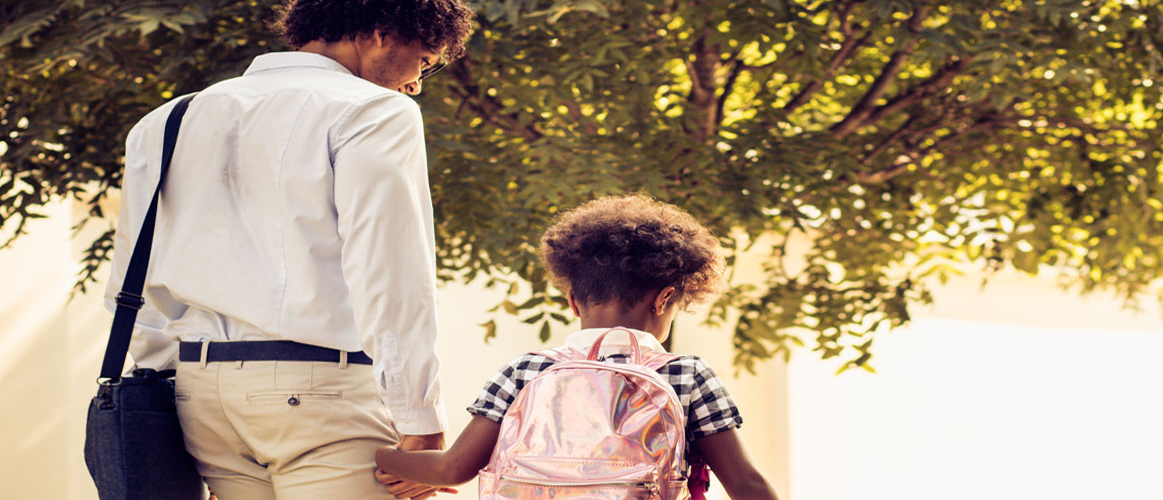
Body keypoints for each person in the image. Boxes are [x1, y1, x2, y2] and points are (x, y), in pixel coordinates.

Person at [104, 1, 472, 498]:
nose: (416, 83)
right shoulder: (374, 111)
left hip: (199, 396)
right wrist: (420, 418)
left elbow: (134, 273)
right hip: (320, 390)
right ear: (383, 34)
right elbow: (390, 275)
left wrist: (163, 382)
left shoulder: (168, 119)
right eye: (424, 60)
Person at [371, 195, 780, 500]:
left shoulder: (526, 370)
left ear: (571, 301)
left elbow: (452, 468)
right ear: (664, 298)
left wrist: (376, 454)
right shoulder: (687, 375)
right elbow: (745, 483)